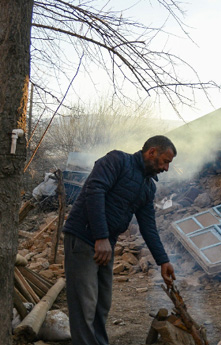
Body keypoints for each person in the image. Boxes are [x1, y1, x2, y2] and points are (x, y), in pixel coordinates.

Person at [63, 135, 177, 345]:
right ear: (152, 152)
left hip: (105, 243)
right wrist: (101, 237)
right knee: (84, 303)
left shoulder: (147, 186)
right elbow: (94, 191)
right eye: (165, 161)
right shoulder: (116, 160)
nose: (166, 168)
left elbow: (148, 226)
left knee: (102, 303)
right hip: (84, 237)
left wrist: (163, 261)